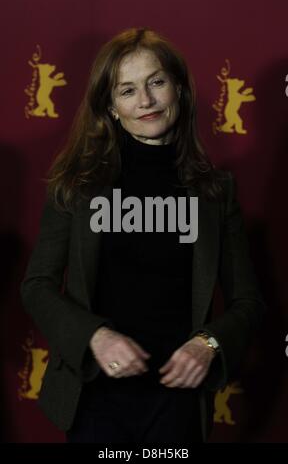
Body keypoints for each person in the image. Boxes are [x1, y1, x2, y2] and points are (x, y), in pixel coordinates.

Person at [21, 27, 266, 444]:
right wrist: (94, 335)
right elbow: (37, 286)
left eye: (156, 82)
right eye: (127, 90)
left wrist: (208, 343)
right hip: (93, 398)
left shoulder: (215, 192)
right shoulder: (76, 185)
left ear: (180, 90)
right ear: (112, 107)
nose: (146, 101)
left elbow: (248, 303)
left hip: (177, 405)